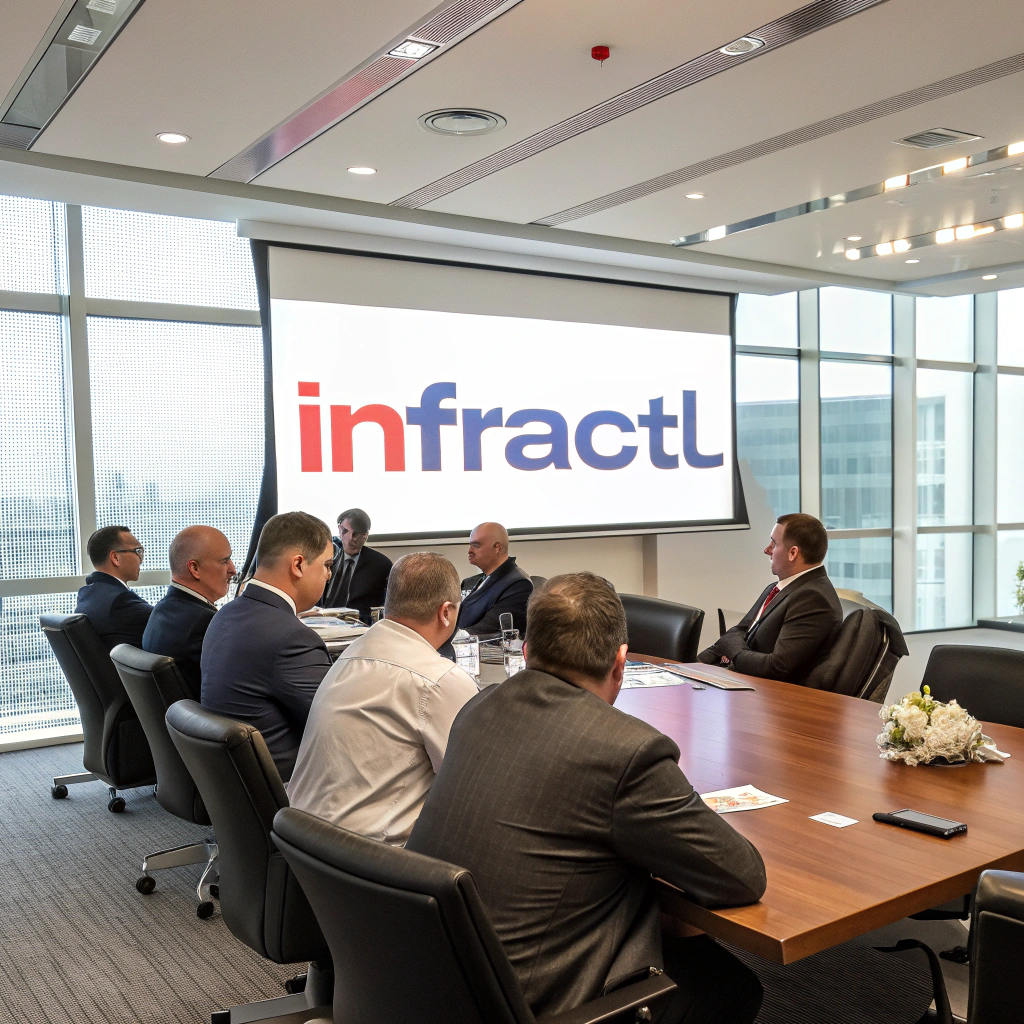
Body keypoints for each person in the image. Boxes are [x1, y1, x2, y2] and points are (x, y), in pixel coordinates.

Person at [408, 573, 766, 1024]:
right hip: (527, 1003)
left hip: (426, 980)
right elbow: (741, 875)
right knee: (729, 986)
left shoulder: (478, 708)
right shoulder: (626, 750)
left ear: (525, 651)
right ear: (621, 661)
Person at [288, 552, 478, 845]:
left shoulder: (349, 654)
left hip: (302, 843)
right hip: (368, 862)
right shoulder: (438, 680)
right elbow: (472, 785)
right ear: (446, 612)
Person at [201, 511, 334, 780]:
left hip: (236, 786)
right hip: (290, 789)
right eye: (327, 565)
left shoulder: (224, 615)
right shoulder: (292, 639)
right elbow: (339, 725)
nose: (329, 575)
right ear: (298, 565)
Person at [697, 512, 842, 685]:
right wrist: (692, 665)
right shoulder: (780, 587)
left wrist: (735, 652)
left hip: (771, 697)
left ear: (792, 553)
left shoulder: (814, 599)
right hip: (743, 680)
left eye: (774, 543)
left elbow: (776, 666)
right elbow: (739, 631)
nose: (767, 550)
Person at [142, 526, 236, 699]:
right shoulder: (205, 623)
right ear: (195, 568)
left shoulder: (162, 610)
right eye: (224, 561)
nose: (233, 570)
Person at [75, 525, 152, 651]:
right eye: (138, 551)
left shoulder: (87, 594)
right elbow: (162, 622)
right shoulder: (119, 601)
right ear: (115, 558)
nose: (141, 559)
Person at [456, 521, 533, 635]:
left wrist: (451, 638)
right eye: (470, 545)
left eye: (476, 545)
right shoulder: (472, 581)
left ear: (497, 547)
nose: (470, 551)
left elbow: (490, 628)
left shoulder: (518, 584)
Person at [319, 508, 392, 622]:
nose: (350, 539)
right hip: (320, 620)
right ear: (339, 529)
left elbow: (387, 608)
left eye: (356, 534)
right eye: (345, 531)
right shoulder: (323, 558)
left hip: (357, 626)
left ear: (366, 535)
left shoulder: (381, 565)